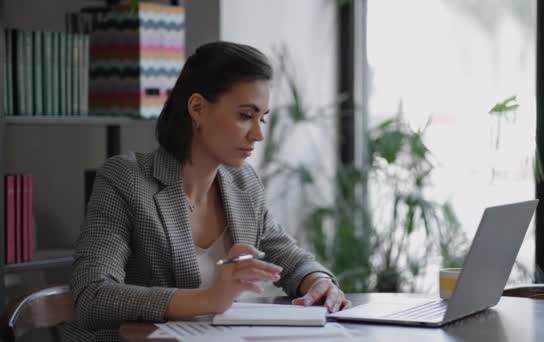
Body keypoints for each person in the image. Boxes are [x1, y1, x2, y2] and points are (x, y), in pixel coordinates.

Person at [64, 41, 350, 341]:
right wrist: (209, 299)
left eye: (261, 118)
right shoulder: (126, 179)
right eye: (245, 116)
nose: (258, 134)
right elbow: (92, 297)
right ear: (197, 108)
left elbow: (288, 257)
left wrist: (317, 281)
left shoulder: (243, 184)